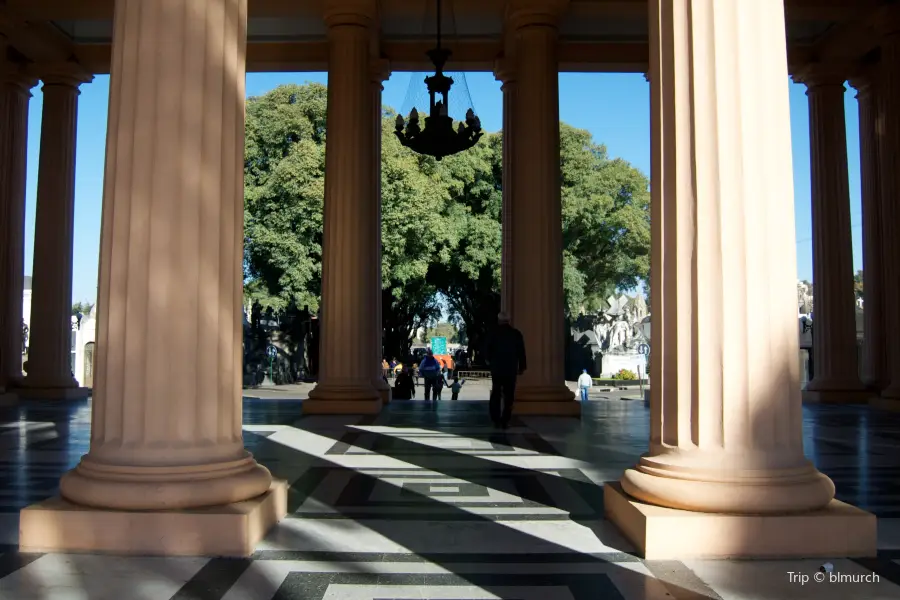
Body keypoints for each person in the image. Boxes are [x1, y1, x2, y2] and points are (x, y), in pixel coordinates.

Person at [485, 312, 526, 429]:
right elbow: (521, 352)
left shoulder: (493, 333)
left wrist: (488, 361)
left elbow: (487, 349)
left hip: (497, 368)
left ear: (499, 320)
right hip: (510, 369)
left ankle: (495, 418)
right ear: (509, 321)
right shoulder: (516, 334)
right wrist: (522, 367)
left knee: (496, 392)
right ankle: (505, 419)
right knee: (509, 395)